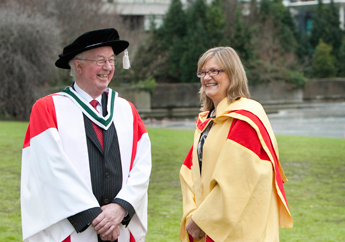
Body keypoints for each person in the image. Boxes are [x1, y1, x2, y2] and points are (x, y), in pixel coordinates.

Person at [21, 28, 152, 242]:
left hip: (120, 225)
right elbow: (51, 170)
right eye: (100, 60)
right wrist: (96, 217)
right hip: (72, 230)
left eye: (111, 60)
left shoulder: (126, 109)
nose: (108, 67)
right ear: (78, 65)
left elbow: (142, 165)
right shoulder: (48, 108)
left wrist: (121, 207)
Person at [179, 47, 293, 242]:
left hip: (241, 229)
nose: (207, 77)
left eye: (214, 71)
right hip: (209, 225)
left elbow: (236, 180)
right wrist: (192, 213)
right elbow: (189, 171)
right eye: (203, 72)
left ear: (232, 73)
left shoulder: (246, 117)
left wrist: (202, 220)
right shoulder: (207, 121)